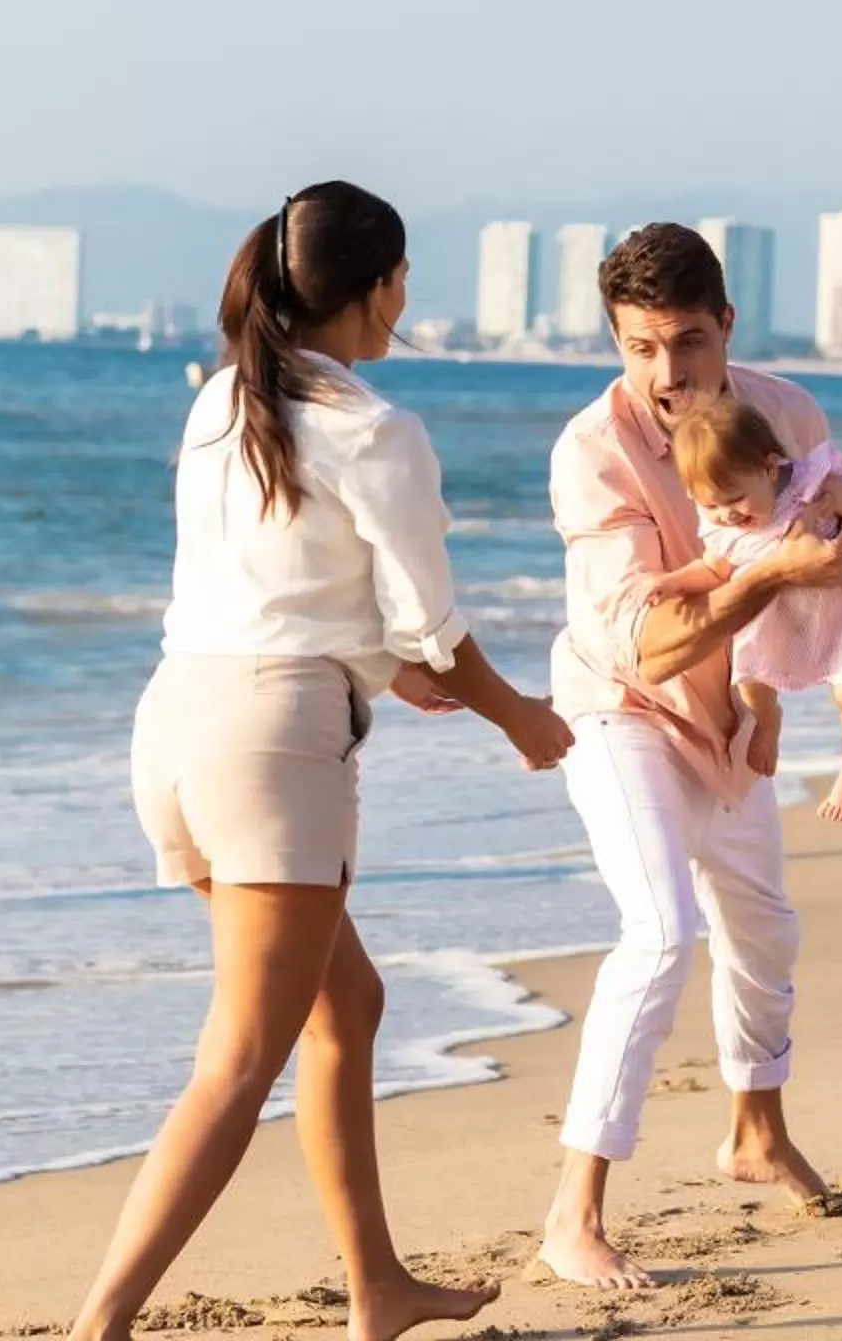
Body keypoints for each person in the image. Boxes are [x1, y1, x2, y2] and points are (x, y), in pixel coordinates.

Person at [70, 181, 575, 1341]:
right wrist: (519, 716)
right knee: (241, 1054)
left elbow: (293, 595)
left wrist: (396, 677)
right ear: (382, 287)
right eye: (403, 285)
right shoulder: (377, 429)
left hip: (177, 726)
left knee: (348, 1002)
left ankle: (378, 1285)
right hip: (272, 741)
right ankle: (101, 1322)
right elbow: (432, 625)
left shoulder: (221, 404)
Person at [533, 224, 842, 1291]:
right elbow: (645, 638)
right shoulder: (592, 450)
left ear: (727, 324)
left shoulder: (790, 414)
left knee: (764, 927)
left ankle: (754, 1132)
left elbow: (835, 544)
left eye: (685, 340)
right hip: (620, 707)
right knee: (663, 930)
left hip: (732, 719)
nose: (666, 373)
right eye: (639, 347)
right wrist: (770, 580)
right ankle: (571, 1213)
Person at [658, 392, 842, 823]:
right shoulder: (723, 525)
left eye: (735, 498)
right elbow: (714, 567)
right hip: (776, 617)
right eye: (710, 505)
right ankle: (768, 721)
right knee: (752, 681)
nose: (727, 515)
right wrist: (671, 583)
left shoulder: (812, 492)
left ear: (770, 468)